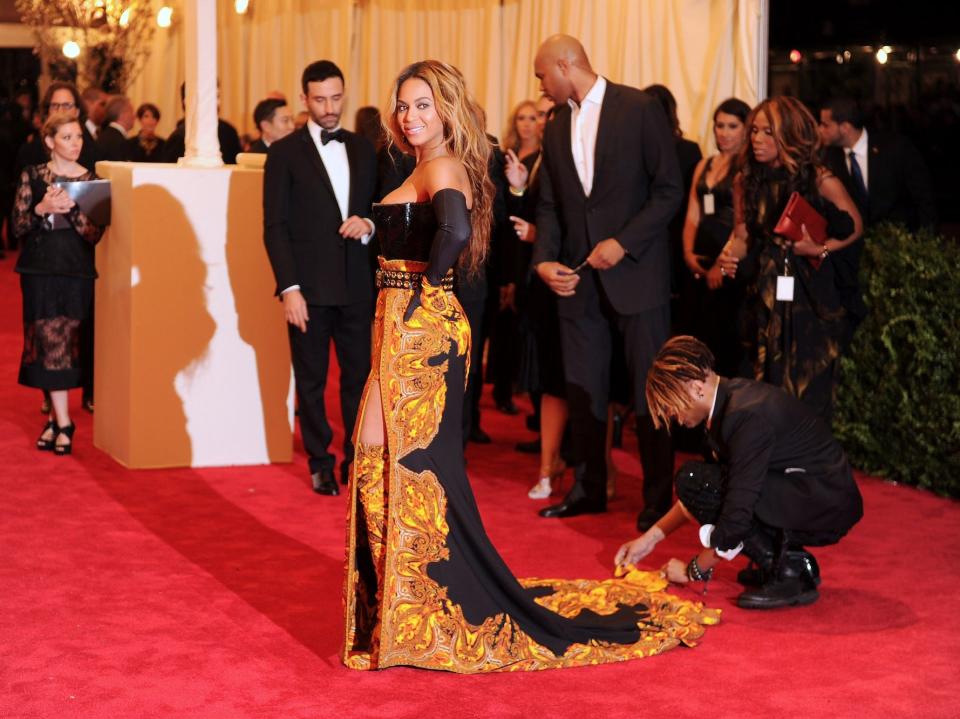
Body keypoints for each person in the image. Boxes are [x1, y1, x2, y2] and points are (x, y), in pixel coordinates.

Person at [342, 59, 717, 673]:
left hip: (418, 332)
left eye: (423, 106)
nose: (411, 117)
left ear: (446, 110)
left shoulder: (441, 164)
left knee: (414, 469)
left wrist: (424, 291)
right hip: (400, 327)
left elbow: (456, 232)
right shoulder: (420, 164)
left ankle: (424, 608)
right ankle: (404, 606)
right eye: (404, 106)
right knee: (381, 457)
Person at [532, 35, 682, 528]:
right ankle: (588, 487)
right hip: (577, 280)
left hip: (637, 276)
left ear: (565, 64)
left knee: (650, 392)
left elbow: (668, 191)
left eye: (541, 75)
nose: (539, 86)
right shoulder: (555, 127)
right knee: (583, 389)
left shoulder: (638, 108)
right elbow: (550, 206)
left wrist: (624, 241)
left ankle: (659, 499)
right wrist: (543, 261)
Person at [615, 335, 863, 608]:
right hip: (809, 492)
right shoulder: (728, 402)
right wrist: (648, 539)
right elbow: (705, 492)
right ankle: (784, 559)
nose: (672, 417)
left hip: (825, 504)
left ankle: (787, 570)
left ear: (696, 388)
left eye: (670, 406)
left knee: (699, 481)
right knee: (696, 481)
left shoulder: (744, 416)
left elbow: (736, 512)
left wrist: (693, 571)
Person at [262, 60, 377, 496]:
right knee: (310, 381)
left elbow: (379, 209)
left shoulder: (365, 149)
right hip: (307, 291)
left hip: (356, 288)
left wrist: (368, 224)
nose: (329, 107)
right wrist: (289, 289)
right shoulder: (284, 154)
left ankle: (356, 458)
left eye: (335, 97)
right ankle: (320, 461)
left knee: (358, 380)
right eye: (320, 99)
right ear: (304, 100)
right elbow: (275, 227)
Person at [718, 97, 863, 421]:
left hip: (810, 295)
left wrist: (821, 248)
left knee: (807, 386)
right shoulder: (746, 180)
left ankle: (806, 462)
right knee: (763, 380)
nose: (756, 139)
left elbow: (855, 226)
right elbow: (742, 235)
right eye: (754, 131)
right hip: (765, 290)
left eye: (768, 132)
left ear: (789, 135)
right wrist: (729, 256)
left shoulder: (818, 178)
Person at [11, 113, 105, 455]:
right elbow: (18, 225)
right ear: (50, 141)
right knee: (45, 342)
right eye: (66, 137)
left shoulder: (92, 181)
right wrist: (41, 207)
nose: (75, 142)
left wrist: (72, 210)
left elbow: (96, 234)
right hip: (39, 270)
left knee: (63, 343)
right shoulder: (33, 176)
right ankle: (62, 422)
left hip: (76, 270)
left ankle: (58, 422)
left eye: (78, 136)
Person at [503, 96, 571, 499]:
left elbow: (567, 223)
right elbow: (530, 218)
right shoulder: (544, 158)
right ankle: (549, 466)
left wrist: (536, 236)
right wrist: (518, 185)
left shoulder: (565, 158)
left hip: (566, 280)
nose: (542, 121)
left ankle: (574, 465)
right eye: (538, 114)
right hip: (540, 282)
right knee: (549, 381)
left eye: (547, 113)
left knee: (567, 382)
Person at [677, 98, 751, 377]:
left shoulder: (746, 169)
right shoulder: (705, 164)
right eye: (719, 125)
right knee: (697, 334)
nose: (724, 132)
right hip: (699, 257)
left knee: (725, 338)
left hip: (730, 260)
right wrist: (687, 253)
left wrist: (722, 263)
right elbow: (692, 215)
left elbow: (742, 223)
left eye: (732, 126)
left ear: (746, 129)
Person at [819, 97, 936, 231]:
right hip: (854, 246)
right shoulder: (828, 158)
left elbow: (924, 198)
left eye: (825, 125)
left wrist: (926, 239)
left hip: (900, 242)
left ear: (845, 127)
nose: (820, 129)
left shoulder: (896, 148)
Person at [161, 82, 243, 164]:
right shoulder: (179, 137)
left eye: (217, 96)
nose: (217, 103)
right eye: (210, 97)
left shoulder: (228, 132)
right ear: (188, 101)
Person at [97, 95, 134, 161]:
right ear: (123, 115)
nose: (134, 116)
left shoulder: (104, 135)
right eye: (131, 111)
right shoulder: (118, 142)